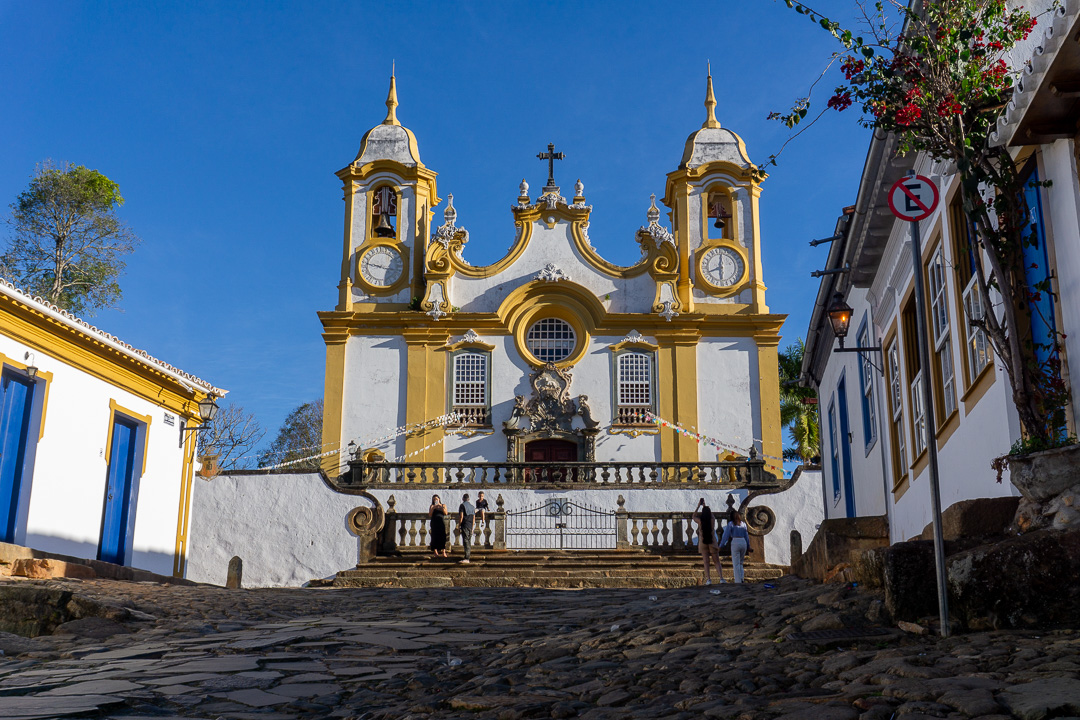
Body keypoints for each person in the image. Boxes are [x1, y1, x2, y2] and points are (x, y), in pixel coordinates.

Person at [692, 498, 725, 585]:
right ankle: (721, 578)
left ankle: (708, 580)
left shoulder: (700, 521)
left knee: (706, 562)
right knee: (716, 561)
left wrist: (698, 506)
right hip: (712, 541)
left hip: (703, 542)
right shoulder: (712, 520)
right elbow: (712, 516)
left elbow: (693, 516)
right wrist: (705, 506)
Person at [720, 510, 751, 583]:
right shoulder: (743, 524)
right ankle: (742, 578)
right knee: (741, 562)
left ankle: (738, 581)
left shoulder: (731, 524)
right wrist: (748, 545)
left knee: (736, 563)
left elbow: (726, 535)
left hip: (735, 541)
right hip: (743, 542)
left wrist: (721, 545)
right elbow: (746, 536)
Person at [457, 493, 476, 564]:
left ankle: (467, 558)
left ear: (463, 499)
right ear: (468, 499)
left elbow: (461, 517)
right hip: (470, 526)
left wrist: (459, 525)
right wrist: (472, 527)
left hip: (465, 525)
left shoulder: (462, 505)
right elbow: (474, 518)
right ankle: (467, 556)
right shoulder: (472, 507)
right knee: (469, 541)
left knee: (466, 541)